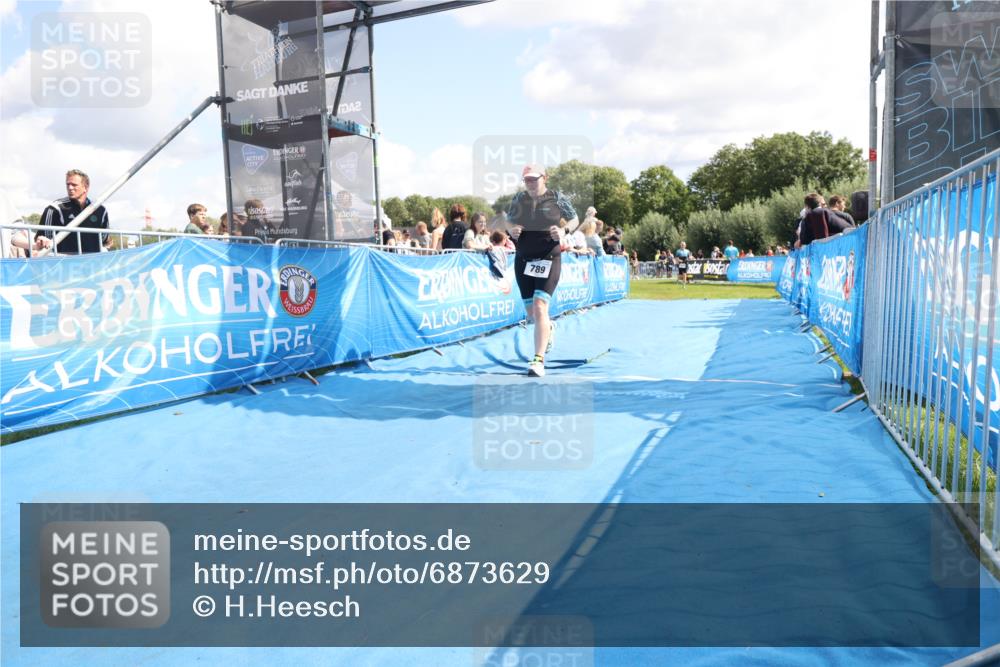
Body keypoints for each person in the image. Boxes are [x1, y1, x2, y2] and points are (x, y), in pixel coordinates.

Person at [506, 164, 578, 377]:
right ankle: (549, 328)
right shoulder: (519, 199)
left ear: (544, 178)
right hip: (524, 259)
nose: (529, 183)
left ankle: (538, 360)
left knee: (539, 306)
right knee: (532, 314)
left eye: (533, 179)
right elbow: (508, 221)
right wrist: (512, 229)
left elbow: (574, 218)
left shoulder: (557, 197)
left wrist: (563, 230)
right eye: (526, 179)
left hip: (549, 257)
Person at [34, 169, 109, 254]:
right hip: (63, 263)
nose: (70, 188)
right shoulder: (55, 208)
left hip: (92, 263)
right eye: (68, 184)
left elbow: (103, 238)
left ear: (86, 187)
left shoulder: (101, 210)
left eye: (74, 185)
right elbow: (42, 239)